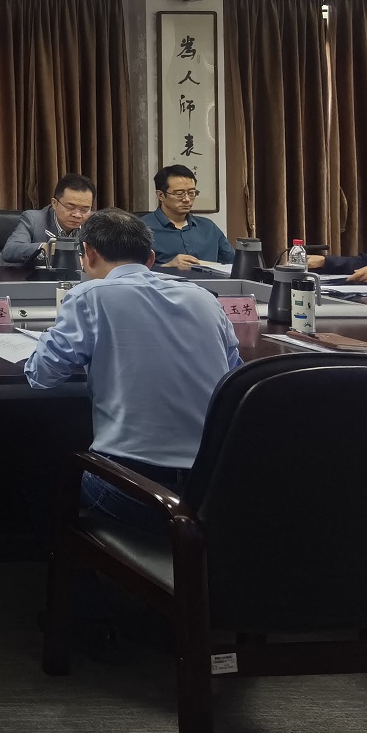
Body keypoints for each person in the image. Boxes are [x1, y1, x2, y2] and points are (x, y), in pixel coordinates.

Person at [24, 208, 240, 533]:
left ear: (88, 254)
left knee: (46, 471)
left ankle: (68, 562)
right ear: (151, 258)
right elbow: (234, 379)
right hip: (212, 492)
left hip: (140, 493)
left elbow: (43, 376)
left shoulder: (89, 296)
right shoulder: (205, 299)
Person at [140, 164, 235, 271]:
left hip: (210, 282)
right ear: (161, 195)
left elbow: (233, 264)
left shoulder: (208, 227)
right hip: (163, 282)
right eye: (179, 193)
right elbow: (130, 271)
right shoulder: (141, 229)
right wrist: (167, 267)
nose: (187, 199)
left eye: (191, 193)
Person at [1, 174, 97, 267]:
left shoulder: (95, 222)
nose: (77, 215)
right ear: (54, 203)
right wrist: (43, 248)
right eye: (70, 207)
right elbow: (10, 251)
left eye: (84, 209)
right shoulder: (34, 220)